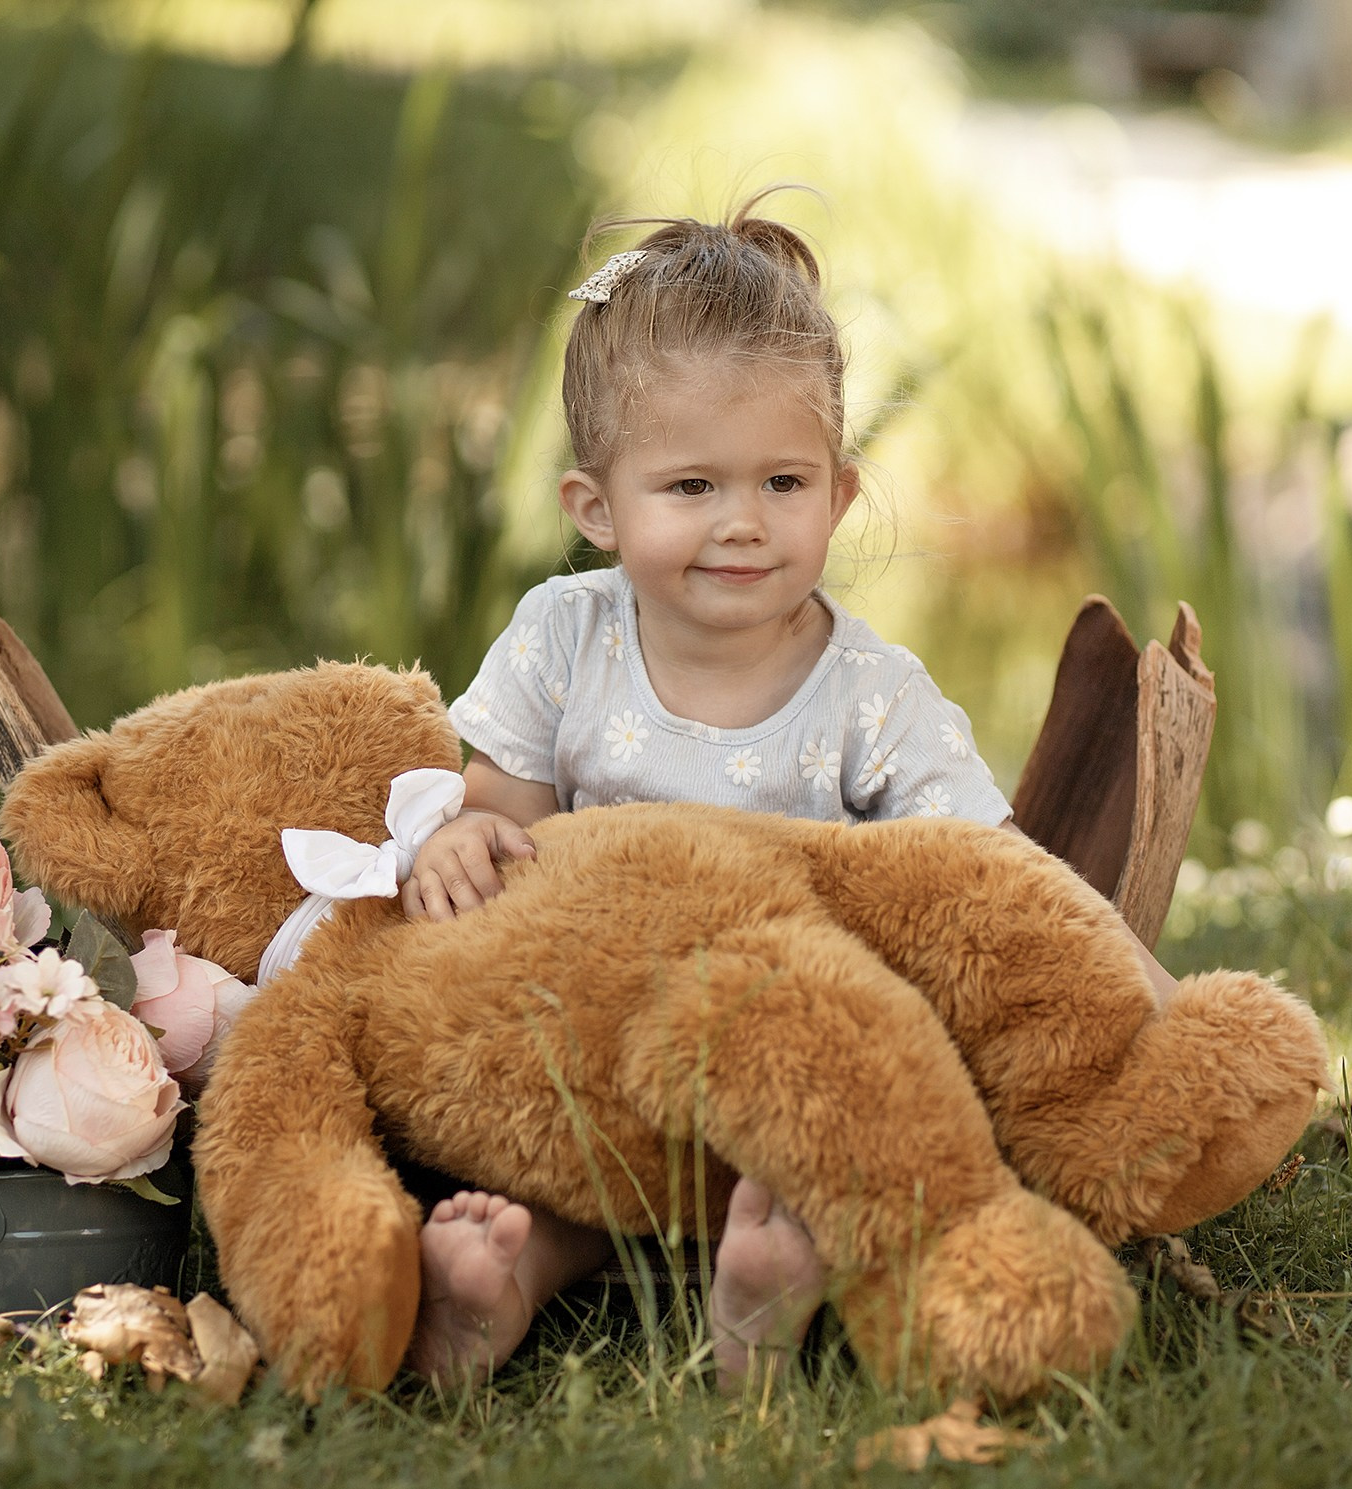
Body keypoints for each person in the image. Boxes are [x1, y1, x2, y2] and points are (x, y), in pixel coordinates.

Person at [395, 193, 1039, 1391]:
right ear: (595, 508)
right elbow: (502, 833)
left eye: (781, 483)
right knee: (553, 1182)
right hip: (605, 1062)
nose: (742, 524)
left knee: (820, 1150)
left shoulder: (869, 695)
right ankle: (504, 1286)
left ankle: (758, 1306)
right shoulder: (560, 640)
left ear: (839, 495)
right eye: (690, 487)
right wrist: (458, 841)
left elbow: (988, 874)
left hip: (778, 1067)